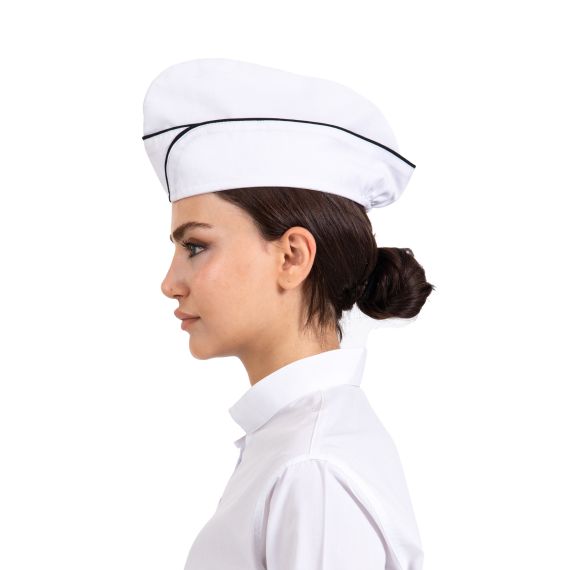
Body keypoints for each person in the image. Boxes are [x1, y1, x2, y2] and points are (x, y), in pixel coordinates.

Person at [141, 57, 435, 570]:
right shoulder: (296, 444)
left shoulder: (311, 468)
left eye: (195, 247)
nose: (170, 284)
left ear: (292, 257)